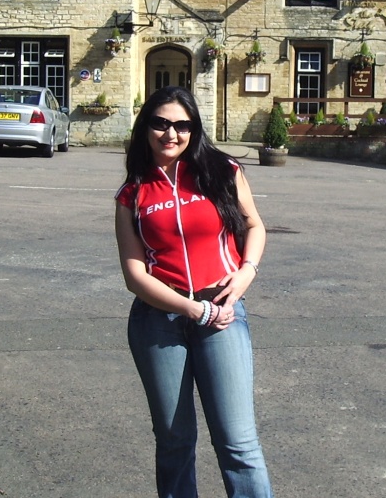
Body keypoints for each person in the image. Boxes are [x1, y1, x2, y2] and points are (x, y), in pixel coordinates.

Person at [114, 86, 274, 498]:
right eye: (161, 123)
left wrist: (246, 273)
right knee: (174, 442)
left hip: (222, 312)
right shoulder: (133, 192)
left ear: (194, 129)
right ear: (145, 126)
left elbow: (254, 225)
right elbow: (134, 274)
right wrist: (192, 310)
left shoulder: (222, 171)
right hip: (159, 319)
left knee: (238, 443)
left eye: (182, 125)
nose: (171, 134)